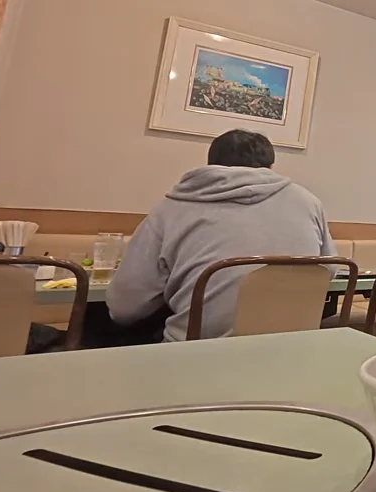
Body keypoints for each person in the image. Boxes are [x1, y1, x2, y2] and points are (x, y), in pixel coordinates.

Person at [107, 129, 336, 341]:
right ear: (271, 166)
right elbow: (329, 270)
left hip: (197, 353)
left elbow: (124, 307)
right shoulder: (309, 203)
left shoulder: (171, 208)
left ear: (212, 164)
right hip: (294, 349)